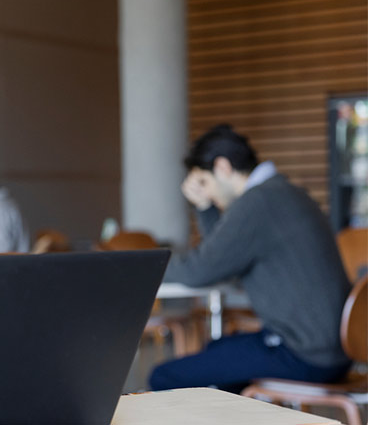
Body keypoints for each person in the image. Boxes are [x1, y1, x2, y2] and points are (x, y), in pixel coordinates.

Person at [150, 124, 352, 393]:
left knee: (164, 376)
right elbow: (225, 260)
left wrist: (146, 268)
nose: (207, 193)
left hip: (305, 353)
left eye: (204, 183)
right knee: (218, 351)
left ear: (222, 167)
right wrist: (206, 208)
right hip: (336, 349)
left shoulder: (257, 203)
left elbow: (200, 269)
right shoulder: (284, 191)